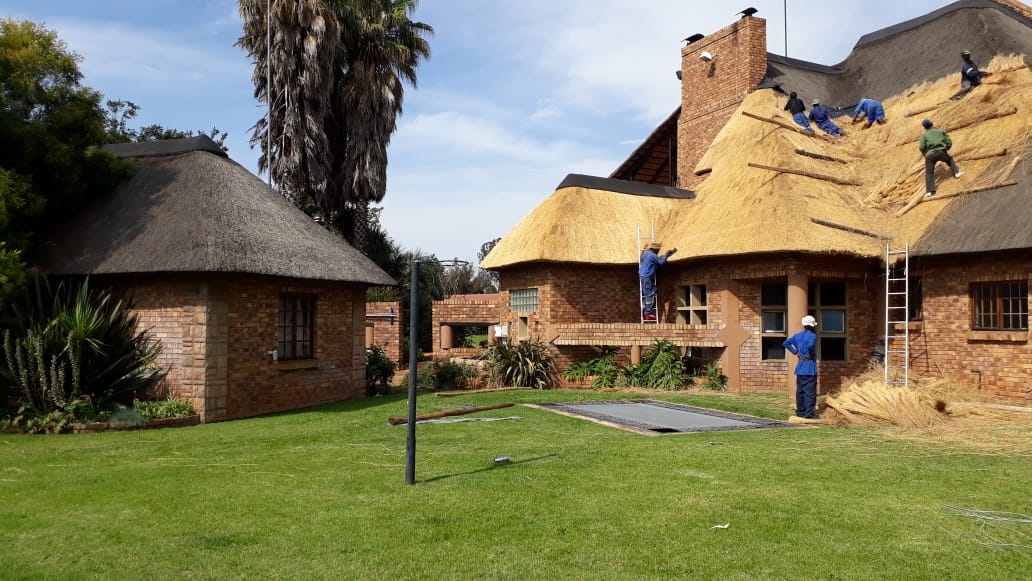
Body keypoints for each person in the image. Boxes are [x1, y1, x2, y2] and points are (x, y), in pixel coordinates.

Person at [783, 315, 819, 419]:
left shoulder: (797, 336)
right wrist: (809, 354)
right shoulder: (812, 336)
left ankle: (800, 412)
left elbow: (786, 343)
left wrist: (796, 352)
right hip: (809, 368)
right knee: (810, 392)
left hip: (800, 368)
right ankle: (809, 414)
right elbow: (810, 346)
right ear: (812, 326)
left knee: (800, 391)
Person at [919, 119, 962, 198]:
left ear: (925, 127)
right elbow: (948, 142)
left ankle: (930, 191)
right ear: (932, 124)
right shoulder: (940, 131)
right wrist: (946, 148)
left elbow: (921, 147)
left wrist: (926, 154)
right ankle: (957, 173)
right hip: (941, 152)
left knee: (929, 173)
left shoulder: (924, 135)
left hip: (930, 156)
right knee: (949, 159)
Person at [638, 242, 676, 321]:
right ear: (655, 250)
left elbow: (641, 258)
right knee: (650, 294)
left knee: (653, 290)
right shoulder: (653, 255)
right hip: (647, 277)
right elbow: (661, 263)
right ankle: (648, 312)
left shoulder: (647, 254)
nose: (658, 252)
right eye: (658, 250)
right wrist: (666, 255)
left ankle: (644, 304)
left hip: (642, 275)